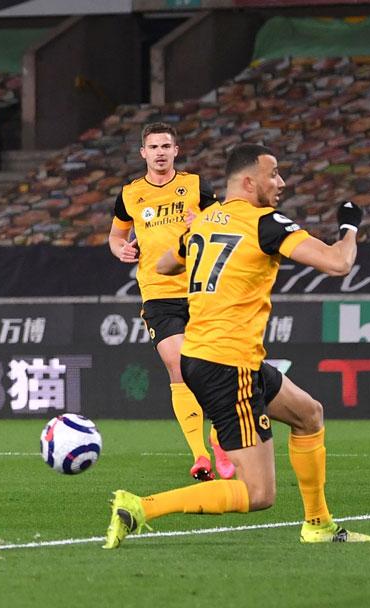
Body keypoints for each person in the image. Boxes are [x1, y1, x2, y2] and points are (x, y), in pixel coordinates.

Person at [102, 143, 370, 548]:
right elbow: (338, 263)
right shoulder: (266, 223)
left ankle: (318, 523)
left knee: (309, 415)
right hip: (228, 364)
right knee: (259, 494)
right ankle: (140, 506)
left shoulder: (205, 221)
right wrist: (350, 226)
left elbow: (163, 265)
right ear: (249, 182)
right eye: (274, 173)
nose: (280, 182)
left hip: (214, 354)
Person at [109, 122, 234, 481]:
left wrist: (208, 221)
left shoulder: (196, 186)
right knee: (178, 365)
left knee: (211, 369)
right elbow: (116, 236)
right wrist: (122, 249)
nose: (160, 152)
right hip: (158, 292)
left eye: (166, 146)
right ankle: (200, 456)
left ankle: (221, 440)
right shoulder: (131, 194)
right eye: (154, 147)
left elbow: (227, 223)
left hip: (201, 289)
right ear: (143, 153)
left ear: (176, 151)